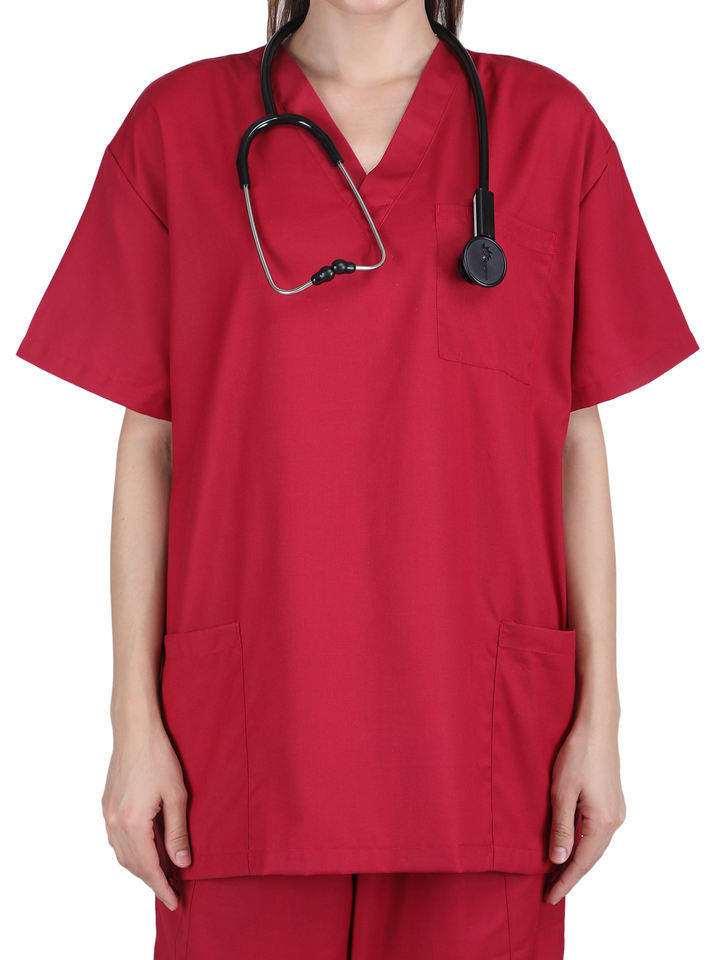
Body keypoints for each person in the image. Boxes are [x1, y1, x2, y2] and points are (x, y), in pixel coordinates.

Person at [15, 0, 700, 957]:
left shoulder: (551, 129)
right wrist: (133, 723)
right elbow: (149, 442)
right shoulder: (175, 126)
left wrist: (602, 716)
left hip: (483, 752)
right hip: (244, 756)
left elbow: (575, 438)